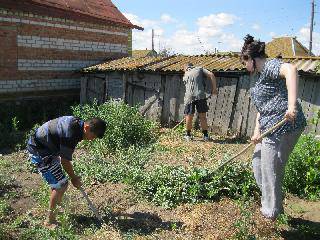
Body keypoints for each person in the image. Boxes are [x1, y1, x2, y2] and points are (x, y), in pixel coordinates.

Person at [240, 34, 306, 220]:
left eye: (245, 62)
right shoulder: (261, 75)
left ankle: (270, 213)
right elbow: (263, 109)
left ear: (252, 59)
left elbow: (291, 70)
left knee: (271, 167)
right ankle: (275, 202)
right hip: (269, 127)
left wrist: (291, 105)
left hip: (285, 126)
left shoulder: (269, 66)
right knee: (257, 162)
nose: (245, 67)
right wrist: (256, 132)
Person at [27, 116, 106, 228]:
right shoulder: (72, 133)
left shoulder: (78, 125)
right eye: (93, 136)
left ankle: (56, 208)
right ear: (87, 128)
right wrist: (74, 178)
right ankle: (49, 220)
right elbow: (65, 161)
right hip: (39, 151)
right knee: (60, 185)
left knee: (61, 184)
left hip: (48, 148)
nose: (92, 139)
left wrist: (73, 177)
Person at [182, 63, 218, 141]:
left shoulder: (186, 74)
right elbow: (211, 75)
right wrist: (214, 89)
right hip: (200, 95)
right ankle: (205, 136)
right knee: (202, 116)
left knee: (189, 116)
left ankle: (188, 136)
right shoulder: (200, 69)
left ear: (186, 67)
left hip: (189, 97)